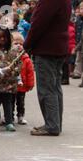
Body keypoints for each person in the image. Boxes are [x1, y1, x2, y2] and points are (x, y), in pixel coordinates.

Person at [24, 0, 72, 136]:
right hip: (58, 46)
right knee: (55, 88)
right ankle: (55, 123)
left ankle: (51, 125)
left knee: (47, 89)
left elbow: (38, 24)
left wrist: (27, 44)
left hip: (47, 48)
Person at [0, 25, 22, 132]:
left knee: (8, 103)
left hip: (9, 83)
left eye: (4, 37)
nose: (2, 39)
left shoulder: (14, 50)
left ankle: (9, 122)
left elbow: (19, 64)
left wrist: (14, 72)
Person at [12, 31, 34, 125]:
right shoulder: (9, 57)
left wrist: (30, 84)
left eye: (21, 44)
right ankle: (9, 116)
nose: (18, 46)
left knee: (20, 103)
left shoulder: (26, 59)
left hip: (22, 86)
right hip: (11, 85)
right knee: (10, 102)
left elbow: (30, 73)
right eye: (16, 43)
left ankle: (20, 116)